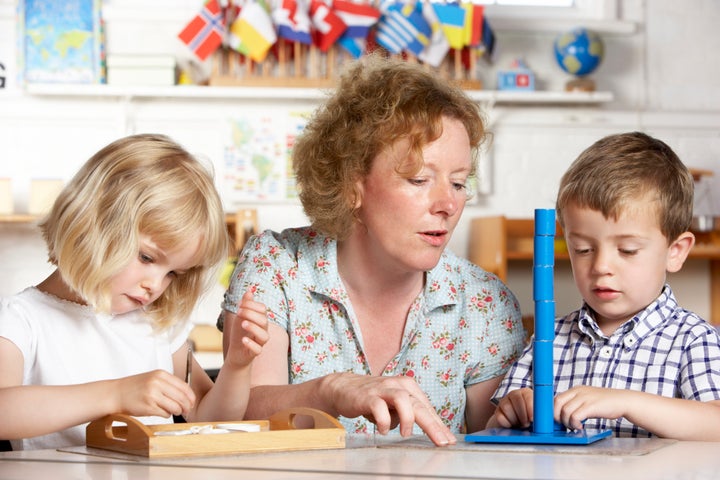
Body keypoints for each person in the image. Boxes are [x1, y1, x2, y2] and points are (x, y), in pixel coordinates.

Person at [217, 54, 527, 446]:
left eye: (459, 183)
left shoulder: (485, 302)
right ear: (351, 184)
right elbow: (239, 412)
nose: (447, 204)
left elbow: (495, 449)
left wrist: (522, 415)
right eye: (418, 179)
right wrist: (330, 391)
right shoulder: (276, 266)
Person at [0, 133, 269, 450]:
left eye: (172, 273)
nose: (155, 285)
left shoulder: (157, 324)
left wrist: (237, 366)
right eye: (146, 257)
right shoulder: (22, 321)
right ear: (94, 223)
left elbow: (210, 420)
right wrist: (115, 394)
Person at [487, 131, 720, 440]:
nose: (600, 267)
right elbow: (493, 427)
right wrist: (512, 411)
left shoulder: (692, 339)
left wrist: (626, 402)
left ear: (675, 252)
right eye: (583, 249)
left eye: (627, 250)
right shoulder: (549, 338)